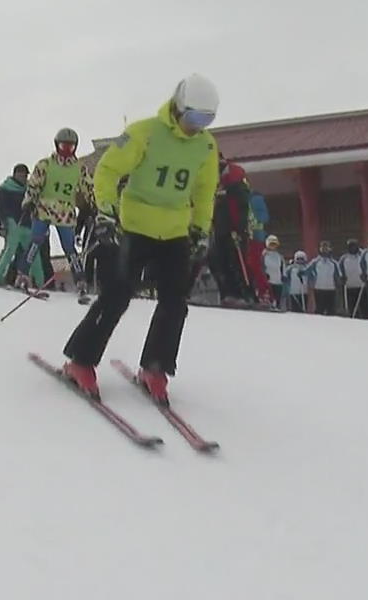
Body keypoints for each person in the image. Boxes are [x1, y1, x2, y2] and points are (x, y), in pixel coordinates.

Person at [60, 73, 220, 403]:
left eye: (206, 120)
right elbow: (108, 171)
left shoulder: (206, 145)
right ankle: (81, 361)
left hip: (175, 231)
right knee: (117, 294)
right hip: (133, 226)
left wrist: (201, 229)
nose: (197, 126)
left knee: (175, 302)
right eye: (193, 117)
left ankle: (155, 368)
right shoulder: (143, 133)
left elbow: (205, 191)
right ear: (178, 107)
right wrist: (105, 211)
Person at [14, 128, 92, 303]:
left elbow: (89, 188)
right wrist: (28, 201)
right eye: (64, 146)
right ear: (57, 146)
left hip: (65, 213)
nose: (66, 150)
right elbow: (34, 184)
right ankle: (22, 275)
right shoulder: (45, 165)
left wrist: (96, 206)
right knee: (36, 241)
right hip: (44, 209)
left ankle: (80, 280)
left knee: (69, 247)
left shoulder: (79, 168)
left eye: (70, 147)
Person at [208, 158, 254, 306]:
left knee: (237, 261)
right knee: (217, 260)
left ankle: (246, 294)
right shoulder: (214, 183)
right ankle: (227, 293)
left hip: (234, 230)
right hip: (220, 229)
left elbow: (242, 207)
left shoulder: (235, 181)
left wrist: (239, 229)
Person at [0, 164, 31, 286]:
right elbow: (0, 209)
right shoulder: (4, 189)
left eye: (25, 175)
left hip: (26, 224)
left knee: (29, 252)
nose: (24, 177)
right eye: (21, 174)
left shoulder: (28, 190)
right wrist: (2, 224)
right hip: (12, 222)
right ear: (15, 174)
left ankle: (36, 280)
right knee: (10, 250)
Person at [306, 240, 340, 315]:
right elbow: (307, 271)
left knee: (331, 309)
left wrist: (339, 282)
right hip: (319, 288)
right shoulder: (315, 262)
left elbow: (338, 275)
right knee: (319, 309)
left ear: (329, 249)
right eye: (323, 248)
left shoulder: (334, 263)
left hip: (331, 289)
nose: (325, 250)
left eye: (326, 248)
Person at [338, 238, 363, 318]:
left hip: (362, 286)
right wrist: (342, 277)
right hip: (349, 286)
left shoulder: (362, 256)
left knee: (363, 307)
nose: (353, 248)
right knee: (351, 307)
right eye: (351, 246)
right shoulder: (344, 258)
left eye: (354, 246)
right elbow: (340, 270)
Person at [262, 234, 286, 310]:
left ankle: (278, 306)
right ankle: (269, 305)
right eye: (271, 244)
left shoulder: (279, 256)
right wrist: (264, 274)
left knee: (278, 294)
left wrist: (283, 275)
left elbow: (282, 266)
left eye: (274, 244)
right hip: (268, 279)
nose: (273, 246)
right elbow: (261, 265)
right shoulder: (264, 254)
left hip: (278, 279)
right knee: (269, 295)